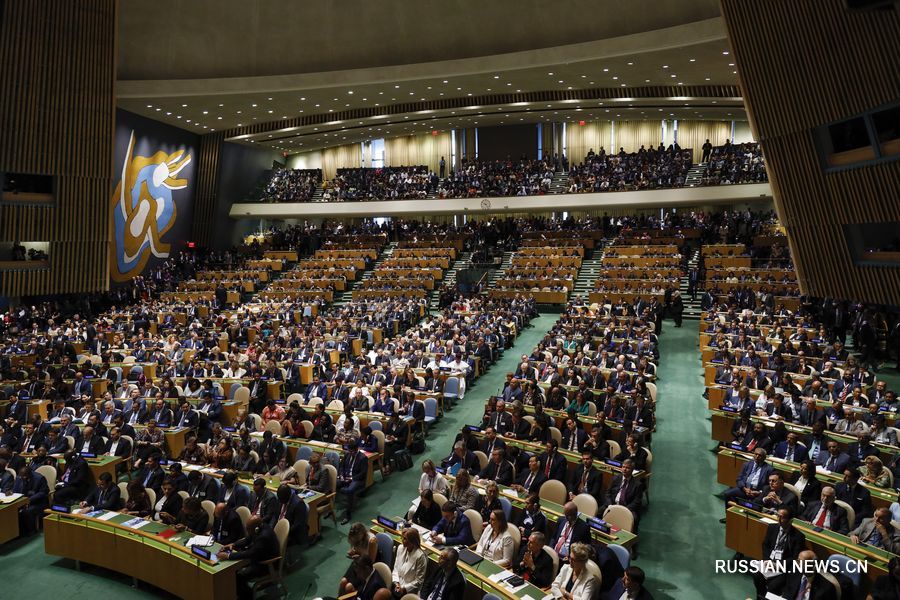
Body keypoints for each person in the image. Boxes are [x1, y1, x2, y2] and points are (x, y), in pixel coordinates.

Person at [216, 515, 280, 600]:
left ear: (256, 528)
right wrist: (233, 544)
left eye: (248, 529)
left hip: (266, 564)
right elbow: (247, 539)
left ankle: (247, 597)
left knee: (239, 576)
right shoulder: (258, 528)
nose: (247, 530)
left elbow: (250, 553)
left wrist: (228, 556)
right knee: (234, 571)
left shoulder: (264, 536)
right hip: (258, 557)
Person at [753, 508, 806, 599]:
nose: (779, 519)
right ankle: (760, 597)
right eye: (778, 516)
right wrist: (767, 560)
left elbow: (795, 557)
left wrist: (778, 565)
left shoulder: (798, 536)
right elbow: (765, 545)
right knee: (756, 576)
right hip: (768, 562)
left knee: (774, 586)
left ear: (791, 520)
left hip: (783, 567)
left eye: (782, 517)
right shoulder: (772, 527)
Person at [374, 527, 427, 599]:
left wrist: (404, 588)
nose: (402, 540)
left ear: (412, 541)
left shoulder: (420, 557)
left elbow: (419, 581)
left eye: (405, 539)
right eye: (402, 538)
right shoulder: (400, 548)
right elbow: (395, 569)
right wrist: (397, 584)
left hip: (409, 591)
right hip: (396, 586)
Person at [339, 522, 381, 595]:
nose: (356, 543)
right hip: (357, 562)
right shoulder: (356, 538)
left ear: (362, 535)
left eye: (357, 541)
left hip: (365, 568)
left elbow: (371, 561)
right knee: (343, 582)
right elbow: (356, 548)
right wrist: (353, 552)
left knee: (348, 587)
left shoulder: (372, 541)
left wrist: (358, 556)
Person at [337, 439, 367, 524]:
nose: (350, 453)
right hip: (345, 477)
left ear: (357, 449)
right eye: (349, 451)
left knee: (350, 490)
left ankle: (348, 515)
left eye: (352, 451)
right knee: (334, 483)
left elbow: (363, 473)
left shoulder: (363, 458)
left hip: (356, 479)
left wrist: (352, 478)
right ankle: (331, 508)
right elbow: (341, 466)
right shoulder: (347, 454)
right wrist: (341, 475)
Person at [12, 466, 49, 533]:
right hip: (23, 500)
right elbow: (15, 489)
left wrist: (29, 500)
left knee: (27, 511)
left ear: (29, 474)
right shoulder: (19, 477)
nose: (22, 478)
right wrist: (11, 492)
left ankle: (30, 530)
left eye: (24, 476)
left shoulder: (39, 478)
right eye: (21, 476)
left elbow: (44, 492)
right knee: (12, 509)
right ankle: (15, 530)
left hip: (37, 502)